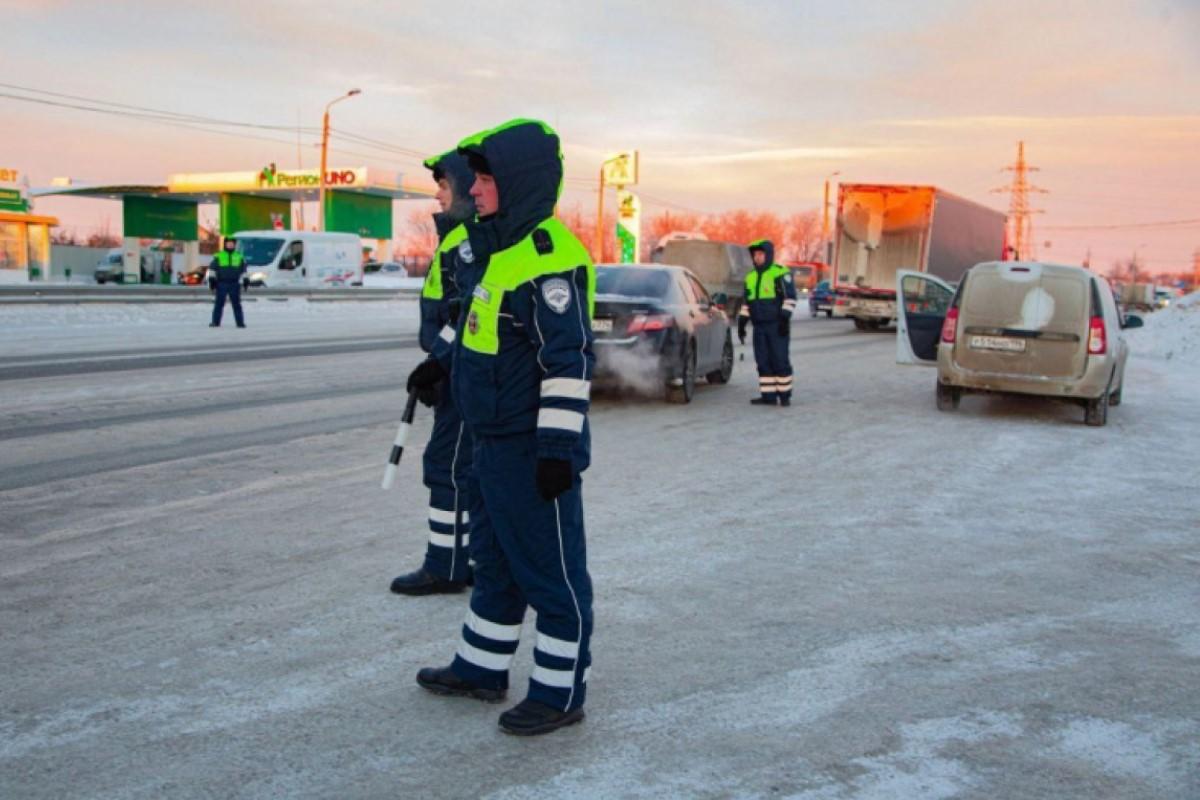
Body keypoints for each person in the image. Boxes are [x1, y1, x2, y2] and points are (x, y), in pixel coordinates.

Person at [407, 119, 596, 736]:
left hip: (531, 451)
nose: (476, 188)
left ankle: (560, 692)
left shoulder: (549, 257)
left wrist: (557, 450)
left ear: (517, 182)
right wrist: (440, 368)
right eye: (476, 177)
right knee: (495, 563)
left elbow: (566, 363)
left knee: (551, 571)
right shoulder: (497, 250)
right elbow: (482, 335)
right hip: (490, 442)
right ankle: (482, 668)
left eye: (486, 177)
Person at [390, 150, 477, 596]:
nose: (438, 196)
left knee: (447, 467)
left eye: (444, 186)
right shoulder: (458, 239)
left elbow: (465, 316)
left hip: (465, 374)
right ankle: (470, 558)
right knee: (470, 470)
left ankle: (445, 565)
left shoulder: (467, 243)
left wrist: (436, 362)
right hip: (457, 371)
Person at [737, 239, 796, 405]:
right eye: (755, 254)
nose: (757, 257)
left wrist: (784, 319)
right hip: (759, 327)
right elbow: (747, 303)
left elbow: (790, 298)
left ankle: (784, 396)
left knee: (779, 360)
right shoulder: (750, 277)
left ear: (768, 255)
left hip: (776, 325)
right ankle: (768, 396)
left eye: (761, 254)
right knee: (762, 361)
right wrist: (742, 322)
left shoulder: (779, 272)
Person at [208, 237, 246, 328]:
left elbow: (244, 270)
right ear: (225, 244)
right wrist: (212, 280)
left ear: (234, 245)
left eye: (232, 244)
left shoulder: (239, 256)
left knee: (236, 304)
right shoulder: (219, 256)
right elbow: (212, 268)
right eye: (228, 243)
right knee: (219, 304)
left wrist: (246, 279)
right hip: (221, 283)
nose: (230, 245)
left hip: (234, 283)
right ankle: (215, 322)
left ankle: (240, 323)